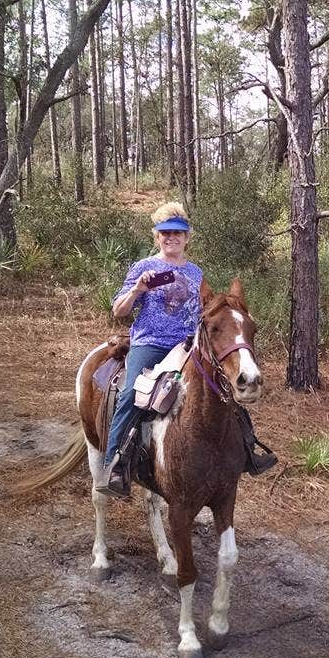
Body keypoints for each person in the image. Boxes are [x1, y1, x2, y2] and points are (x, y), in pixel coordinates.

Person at [97, 202, 203, 498]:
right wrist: (137, 291)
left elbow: (201, 311)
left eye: (178, 233)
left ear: (187, 237)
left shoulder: (195, 272)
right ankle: (115, 466)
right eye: (165, 233)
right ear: (157, 236)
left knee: (220, 385)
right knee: (132, 392)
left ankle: (243, 450)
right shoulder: (143, 267)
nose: (172, 238)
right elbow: (119, 311)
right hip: (151, 343)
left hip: (186, 346)